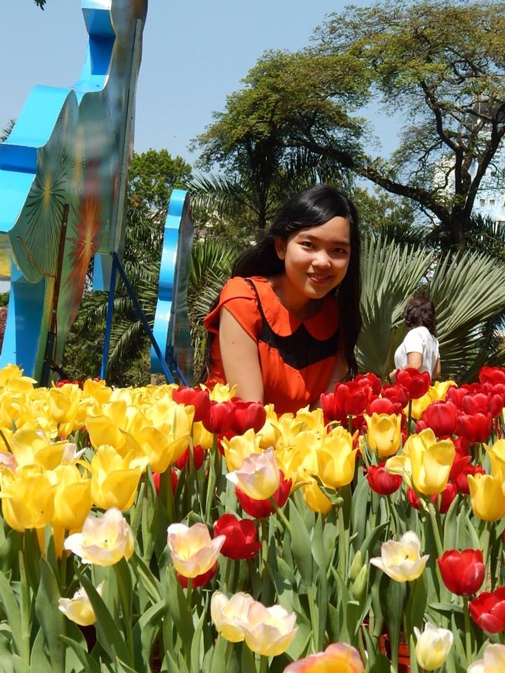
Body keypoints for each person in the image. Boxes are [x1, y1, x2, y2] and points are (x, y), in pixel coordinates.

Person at [202, 184, 362, 415]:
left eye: (338, 250)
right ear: (281, 247)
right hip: (234, 436)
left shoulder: (339, 318)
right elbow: (249, 415)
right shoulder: (243, 299)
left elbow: (321, 417)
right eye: (309, 245)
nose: (323, 262)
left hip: (305, 438)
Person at [390, 296, 441, 382]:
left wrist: (396, 374)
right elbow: (437, 372)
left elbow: (415, 365)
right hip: (425, 388)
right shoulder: (433, 339)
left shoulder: (415, 334)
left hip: (409, 388)